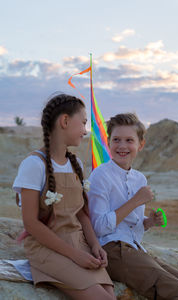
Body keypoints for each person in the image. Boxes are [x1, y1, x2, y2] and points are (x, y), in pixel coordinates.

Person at [13, 93, 116, 300]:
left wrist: (94, 245)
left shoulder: (75, 163)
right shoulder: (33, 164)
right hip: (48, 248)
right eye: (84, 123)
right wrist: (75, 255)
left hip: (79, 244)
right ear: (65, 121)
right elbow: (31, 223)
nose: (85, 131)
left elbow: (81, 214)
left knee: (110, 296)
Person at [87, 113, 178, 300]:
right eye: (116, 140)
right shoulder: (100, 176)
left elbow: (132, 226)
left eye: (129, 140)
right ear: (108, 142)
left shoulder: (140, 179)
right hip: (111, 250)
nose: (122, 146)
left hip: (135, 248)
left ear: (141, 144)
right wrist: (136, 201)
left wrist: (148, 222)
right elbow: (98, 227)